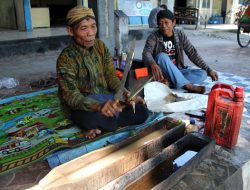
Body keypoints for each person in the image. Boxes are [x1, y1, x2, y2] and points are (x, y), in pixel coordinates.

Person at [57, 6, 149, 139]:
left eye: (93, 26)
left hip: (105, 98)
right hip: (85, 104)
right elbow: (71, 96)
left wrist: (126, 95)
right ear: (70, 31)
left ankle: (102, 125)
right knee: (87, 118)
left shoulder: (100, 47)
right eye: (84, 28)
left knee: (141, 111)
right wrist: (98, 106)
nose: (91, 33)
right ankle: (101, 123)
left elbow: (111, 76)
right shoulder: (65, 58)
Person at [143, 9, 218, 94]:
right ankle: (188, 86)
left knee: (203, 74)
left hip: (178, 71)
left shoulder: (180, 34)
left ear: (173, 22)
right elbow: (146, 52)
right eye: (160, 23)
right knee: (161, 56)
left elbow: (192, 53)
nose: (163, 26)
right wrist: (152, 63)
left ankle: (170, 83)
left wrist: (208, 69)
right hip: (163, 72)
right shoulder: (154, 36)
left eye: (166, 22)